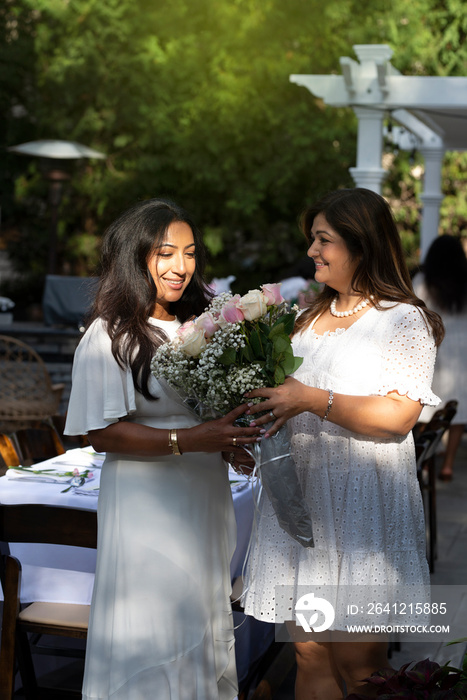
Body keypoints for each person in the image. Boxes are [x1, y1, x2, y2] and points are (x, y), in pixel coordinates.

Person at [241, 188, 444, 699]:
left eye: (324, 239)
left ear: (362, 245)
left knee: (359, 661)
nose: (312, 250)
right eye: (312, 238)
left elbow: (400, 416)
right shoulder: (309, 318)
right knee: (309, 650)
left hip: (361, 512)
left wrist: (311, 399)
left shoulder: (401, 319)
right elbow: (287, 397)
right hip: (306, 504)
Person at [64, 198, 259, 700]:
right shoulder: (108, 334)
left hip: (202, 494)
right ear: (136, 256)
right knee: (150, 623)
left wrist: (222, 443)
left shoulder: (200, 327)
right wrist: (193, 440)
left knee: (195, 615)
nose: (181, 266)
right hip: (145, 502)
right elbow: (99, 433)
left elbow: (201, 409)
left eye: (190, 253)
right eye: (165, 252)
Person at [412, 234, 467, 481]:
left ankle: (424, 460)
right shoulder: (464, 281)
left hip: (435, 346)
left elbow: (413, 311)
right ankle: (448, 465)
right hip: (462, 351)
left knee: (427, 408)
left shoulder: (424, 280)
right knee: (459, 409)